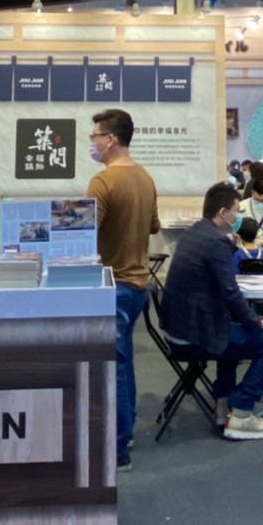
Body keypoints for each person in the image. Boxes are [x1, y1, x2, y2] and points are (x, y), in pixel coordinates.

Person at [158, 182, 263, 441]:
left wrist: (247, 320)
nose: (239, 216)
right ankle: (242, 410)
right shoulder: (215, 242)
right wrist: (254, 322)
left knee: (234, 328)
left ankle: (223, 401)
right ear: (224, 212)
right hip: (195, 336)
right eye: (237, 211)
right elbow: (230, 292)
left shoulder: (195, 232)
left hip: (178, 329)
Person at [86, 108, 161, 471]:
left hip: (112, 283)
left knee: (113, 366)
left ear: (111, 139)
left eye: (95, 136)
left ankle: (116, 448)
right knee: (124, 361)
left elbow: (84, 234)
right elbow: (153, 227)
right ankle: (125, 432)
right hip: (139, 284)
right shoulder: (145, 178)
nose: (92, 143)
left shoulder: (103, 182)